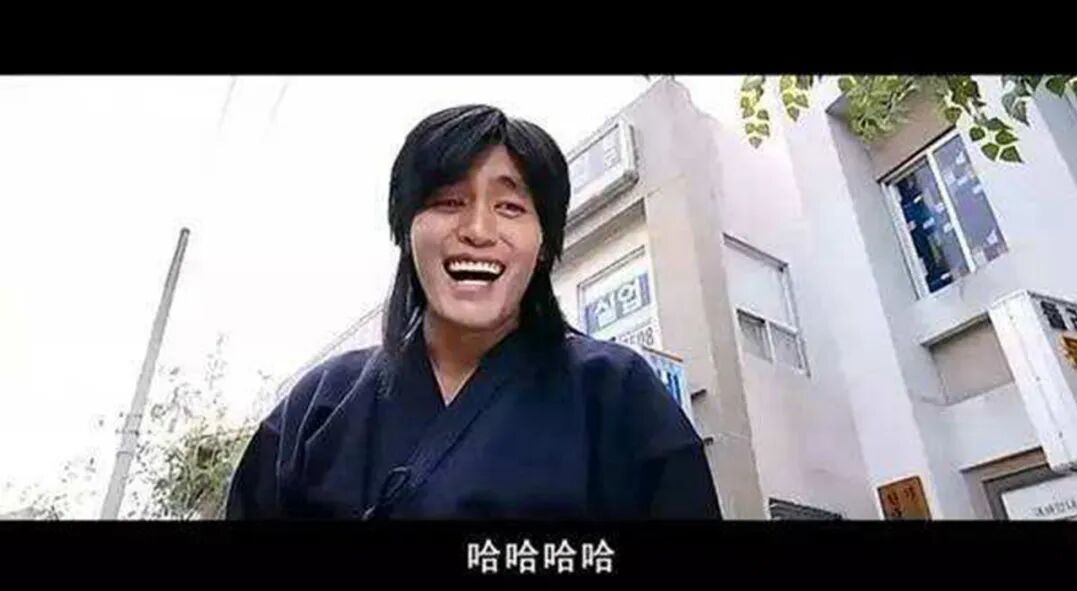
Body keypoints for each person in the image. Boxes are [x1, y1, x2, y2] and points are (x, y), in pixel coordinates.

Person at [225, 104, 721, 519]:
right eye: (448, 201)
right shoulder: (316, 409)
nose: (478, 230)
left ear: (544, 244)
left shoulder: (620, 397)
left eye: (510, 207)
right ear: (406, 231)